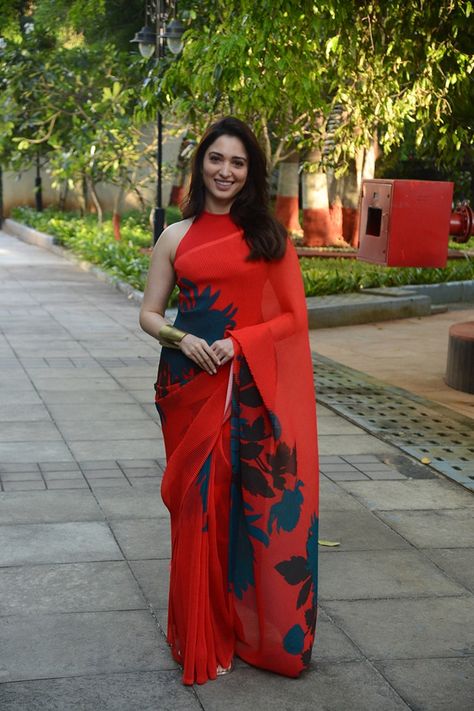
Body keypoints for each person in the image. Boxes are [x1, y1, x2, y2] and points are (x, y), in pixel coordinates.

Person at [139, 117, 319, 686]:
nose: (225, 171)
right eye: (216, 159)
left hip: (245, 387)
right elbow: (148, 313)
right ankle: (198, 634)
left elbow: (294, 317)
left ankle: (245, 629)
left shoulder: (268, 236)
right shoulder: (176, 236)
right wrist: (180, 338)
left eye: (238, 162)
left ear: (251, 172)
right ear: (201, 165)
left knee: (243, 513)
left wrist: (239, 342)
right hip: (187, 386)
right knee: (196, 509)